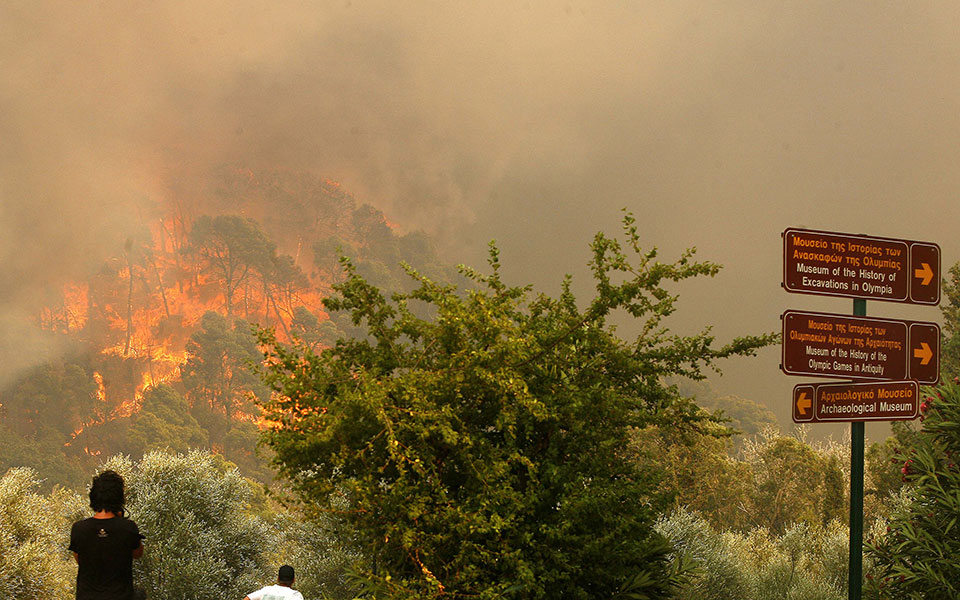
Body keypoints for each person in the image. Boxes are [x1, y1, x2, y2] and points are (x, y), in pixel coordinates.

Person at [69, 470, 145, 600]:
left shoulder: (79, 529)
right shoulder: (128, 528)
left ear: (93, 496)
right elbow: (137, 554)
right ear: (119, 497)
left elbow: (79, 560)